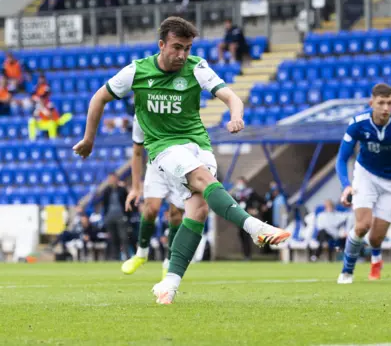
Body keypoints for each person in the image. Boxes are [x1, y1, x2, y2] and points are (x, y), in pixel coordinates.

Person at [72, 16, 290, 304]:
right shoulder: (136, 71)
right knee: (202, 180)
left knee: (198, 211)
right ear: (161, 45)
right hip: (164, 148)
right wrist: (89, 139)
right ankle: (255, 228)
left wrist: (236, 116)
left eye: (187, 48)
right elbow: (99, 98)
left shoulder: (196, 67)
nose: (182, 54)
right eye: (176, 47)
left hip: (199, 145)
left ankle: (169, 285)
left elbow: (231, 97)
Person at [335, 83, 391, 284]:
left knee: (376, 238)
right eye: (381, 103)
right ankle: (347, 272)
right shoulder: (358, 122)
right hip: (366, 175)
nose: (386, 108)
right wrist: (346, 185)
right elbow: (342, 158)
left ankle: (376, 261)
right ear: (371, 103)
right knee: (362, 225)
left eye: (390, 103)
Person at [120, 115, 205, 278]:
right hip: (156, 165)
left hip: (181, 166)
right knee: (151, 209)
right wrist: (136, 187)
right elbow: (137, 152)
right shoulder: (141, 115)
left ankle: (168, 261)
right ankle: (141, 254)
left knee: (175, 216)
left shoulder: (179, 105)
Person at [101, 173, 130, 261]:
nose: (112, 180)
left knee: (124, 237)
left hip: (121, 216)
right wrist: (105, 216)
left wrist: (127, 215)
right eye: (110, 179)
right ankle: (115, 257)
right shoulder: (106, 190)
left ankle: (126, 256)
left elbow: (127, 202)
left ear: (117, 179)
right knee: (113, 238)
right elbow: (104, 204)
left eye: (113, 178)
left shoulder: (122, 190)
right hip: (110, 217)